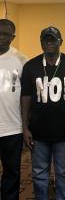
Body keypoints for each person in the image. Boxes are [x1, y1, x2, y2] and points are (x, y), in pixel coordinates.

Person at [20, 26, 65, 200]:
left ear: (60, 42)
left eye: (53, 40)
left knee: (63, 174)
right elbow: (25, 98)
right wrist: (25, 128)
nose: (49, 43)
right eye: (45, 40)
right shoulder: (30, 66)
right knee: (39, 175)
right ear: (41, 43)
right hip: (38, 133)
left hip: (64, 133)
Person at [0, 19, 27, 200]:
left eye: (6, 35)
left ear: (13, 37)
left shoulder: (22, 59)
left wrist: (26, 126)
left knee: (12, 173)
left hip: (12, 128)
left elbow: (27, 96)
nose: (1, 38)